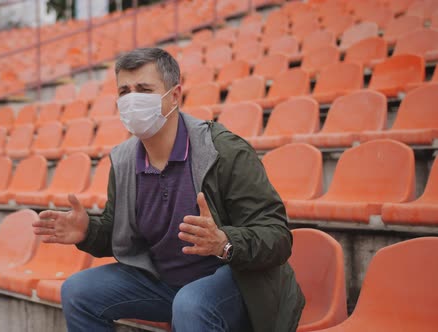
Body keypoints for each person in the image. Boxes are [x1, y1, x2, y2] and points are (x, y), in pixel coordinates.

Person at [33, 47, 304, 332]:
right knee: (78, 291)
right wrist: (88, 231)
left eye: (143, 89)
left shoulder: (223, 151)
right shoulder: (124, 160)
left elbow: (277, 235)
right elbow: (119, 234)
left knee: (190, 303)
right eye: (124, 91)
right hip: (165, 283)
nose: (132, 99)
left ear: (174, 96)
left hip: (237, 283)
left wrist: (224, 242)